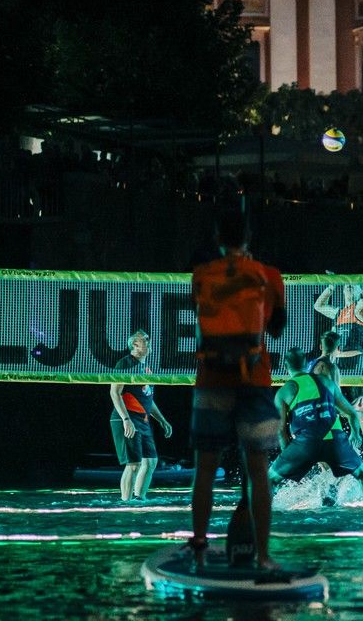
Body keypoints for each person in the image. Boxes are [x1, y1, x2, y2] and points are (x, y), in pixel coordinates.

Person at [187, 208, 287, 569]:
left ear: (217, 238)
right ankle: (263, 556)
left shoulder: (201, 275)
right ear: (249, 238)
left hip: (212, 380)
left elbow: (199, 315)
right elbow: (277, 328)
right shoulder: (268, 275)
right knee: (258, 470)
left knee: (204, 469)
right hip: (254, 381)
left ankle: (200, 549)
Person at [269, 339, 363, 522]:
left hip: (305, 443)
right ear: (306, 363)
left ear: (286, 366)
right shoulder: (327, 380)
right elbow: (351, 413)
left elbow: (280, 431)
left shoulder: (284, 391)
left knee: (269, 479)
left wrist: (288, 455)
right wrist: (355, 433)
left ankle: (257, 517)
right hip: (334, 437)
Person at [312, 284, 363, 464]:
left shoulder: (361, 304)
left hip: (356, 365)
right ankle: (346, 460)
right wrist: (331, 287)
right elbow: (318, 306)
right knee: (339, 412)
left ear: (360, 291)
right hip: (337, 367)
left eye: (353, 285)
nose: (349, 286)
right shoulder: (338, 312)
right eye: (346, 284)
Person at [108, 330, 172, 501]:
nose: (148, 342)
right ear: (135, 345)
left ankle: (139, 500)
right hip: (126, 418)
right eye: (144, 340)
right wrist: (126, 419)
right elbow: (115, 393)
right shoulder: (125, 363)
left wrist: (162, 420)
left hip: (142, 420)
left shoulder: (146, 368)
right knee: (134, 464)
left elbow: (148, 399)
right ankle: (126, 503)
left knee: (150, 462)